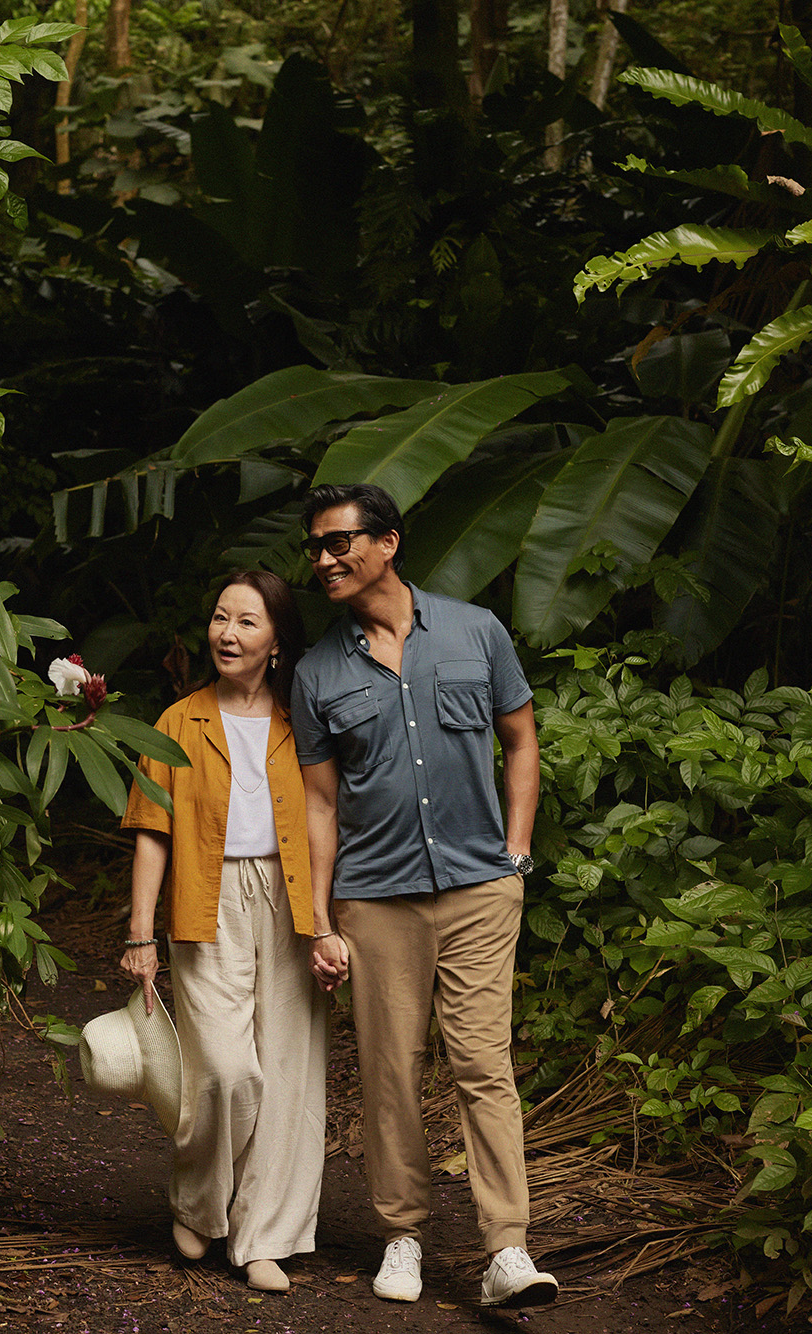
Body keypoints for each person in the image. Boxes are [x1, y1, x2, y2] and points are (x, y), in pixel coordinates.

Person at [293, 482, 557, 1309]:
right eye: (316, 548)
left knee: (485, 1065)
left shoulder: (476, 632)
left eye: (339, 543)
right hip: (374, 901)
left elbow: (521, 741)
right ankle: (401, 1235)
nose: (325, 560)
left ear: (388, 543)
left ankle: (506, 1250)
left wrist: (515, 855)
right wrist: (320, 917)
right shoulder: (316, 671)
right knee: (390, 1073)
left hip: (481, 890)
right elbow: (320, 804)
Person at [118, 570, 330, 1294]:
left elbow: (335, 820)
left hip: (292, 897)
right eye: (219, 618)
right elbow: (151, 831)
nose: (227, 633)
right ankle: (200, 1204)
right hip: (205, 897)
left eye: (246, 622)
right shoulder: (177, 721)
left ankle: (265, 1233)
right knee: (226, 1070)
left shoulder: (305, 720)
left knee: (291, 1072)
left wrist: (333, 920)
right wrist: (140, 933)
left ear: (276, 640)